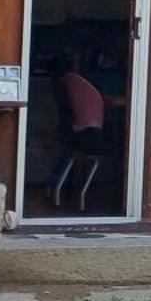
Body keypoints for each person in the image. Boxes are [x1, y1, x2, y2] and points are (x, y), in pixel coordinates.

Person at [47, 50, 110, 208]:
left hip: (72, 133)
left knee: (67, 155)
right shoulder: (92, 82)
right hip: (91, 136)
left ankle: (55, 190)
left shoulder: (66, 83)